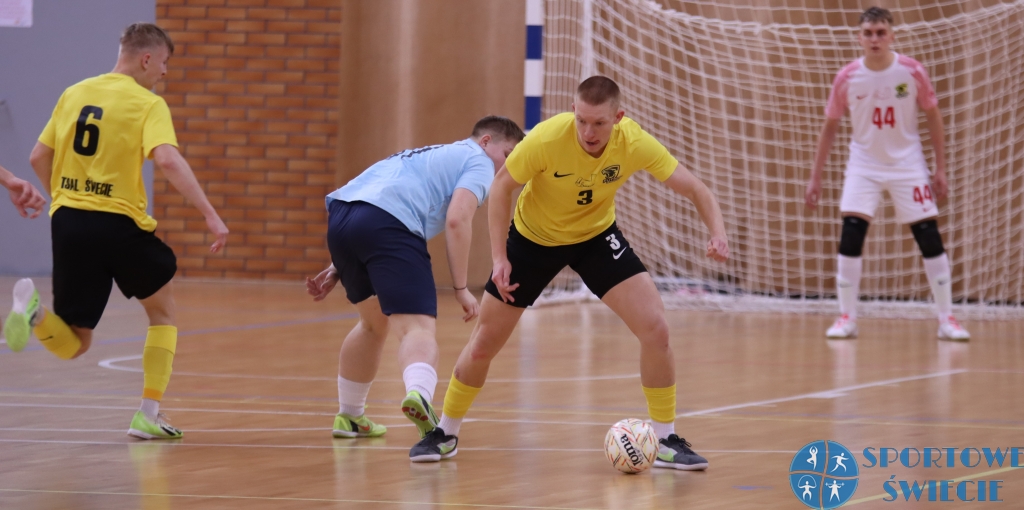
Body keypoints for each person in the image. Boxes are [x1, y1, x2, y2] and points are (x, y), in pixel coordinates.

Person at [409, 76, 730, 470]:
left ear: (619, 118)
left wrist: (718, 233)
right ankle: (445, 431)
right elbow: (502, 186)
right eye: (581, 121)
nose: (588, 132)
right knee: (484, 343)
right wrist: (499, 258)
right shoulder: (545, 139)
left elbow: (694, 187)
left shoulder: (634, 142)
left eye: (598, 123)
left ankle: (665, 440)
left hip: (596, 237)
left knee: (656, 328)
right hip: (532, 241)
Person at [3, 23, 229, 439]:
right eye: (163, 64)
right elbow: (167, 161)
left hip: (68, 219)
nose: (163, 73)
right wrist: (211, 215)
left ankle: (34, 313)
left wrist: (65, 200)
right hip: (118, 221)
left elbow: (38, 156)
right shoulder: (148, 103)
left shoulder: (75, 92)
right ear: (146, 59)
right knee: (162, 312)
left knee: (76, 341)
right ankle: (148, 413)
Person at [305, 116, 524, 440]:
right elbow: (457, 220)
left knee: (373, 323)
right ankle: (419, 393)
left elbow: (366, 204)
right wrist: (461, 288)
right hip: (389, 223)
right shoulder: (479, 163)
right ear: (486, 142)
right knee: (417, 328)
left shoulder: (425, 155)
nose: (507, 168)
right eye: (508, 156)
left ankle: (350, 417)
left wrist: (339, 263)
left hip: (342, 218)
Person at [805, 6, 969, 341]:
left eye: (881, 32)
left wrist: (940, 168)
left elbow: (934, 117)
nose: (875, 39)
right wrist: (815, 176)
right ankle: (846, 317)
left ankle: (946, 318)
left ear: (892, 35)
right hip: (863, 165)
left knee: (928, 235)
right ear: (859, 37)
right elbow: (830, 128)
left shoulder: (912, 71)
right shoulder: (847, 77)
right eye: (868, 33)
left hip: (907, 164)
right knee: (851, 234)